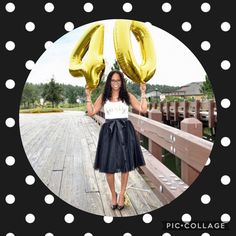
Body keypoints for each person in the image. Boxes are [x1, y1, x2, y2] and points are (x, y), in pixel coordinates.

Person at [85, 70, 147, 210]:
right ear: (109, 82)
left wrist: (143, 92)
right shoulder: (104, 96)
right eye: (113, 81)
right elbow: (91, 112)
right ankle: (113, 194)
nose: (115, 83)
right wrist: (88, 96)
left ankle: (122, 195)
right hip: (109, 132)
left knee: (125, 164)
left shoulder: (127, 96)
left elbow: (143, 109)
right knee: (109, 166)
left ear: (122, 82)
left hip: (125, 131)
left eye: (118, 81)